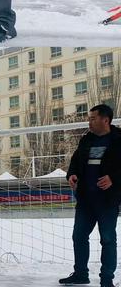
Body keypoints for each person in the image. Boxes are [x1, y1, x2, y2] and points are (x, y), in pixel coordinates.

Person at [59, 104, 121, 287]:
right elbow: (75, 162)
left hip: (107, 201)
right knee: (78, 236)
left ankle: (107, 279)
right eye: (89, 118)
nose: (89, 122)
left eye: (93, 118)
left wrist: (113, 179)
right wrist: (71, 174)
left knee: (108, 239)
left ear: (105, 120)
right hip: (86, 200)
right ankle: (80, 274)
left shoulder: (119, 140)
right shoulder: (86, 140)